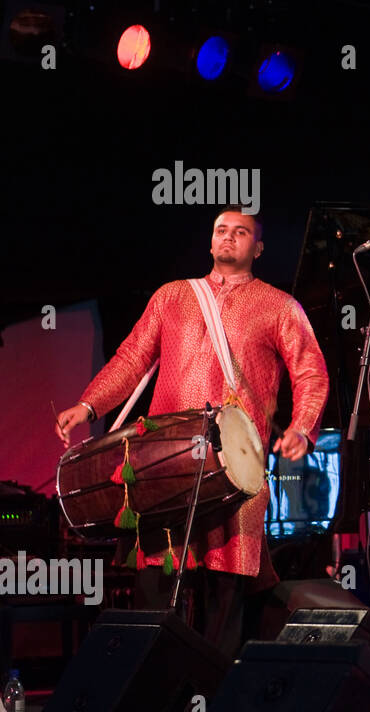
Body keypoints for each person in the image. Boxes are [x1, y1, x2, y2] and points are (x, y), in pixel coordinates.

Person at [56, 208, 329, 657]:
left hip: (237, 469)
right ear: (209, 242)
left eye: (240, 233)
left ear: (257, 248)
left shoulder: (280, 306)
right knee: (157, 586)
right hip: (164, 466)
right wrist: (89, 405)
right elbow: (131, 359)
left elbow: (311, 374)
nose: (228, 238)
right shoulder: (172, 296)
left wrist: (302, 428)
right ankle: (149, 694)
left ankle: (217, 699)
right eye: (221, 230)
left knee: (226, 594)